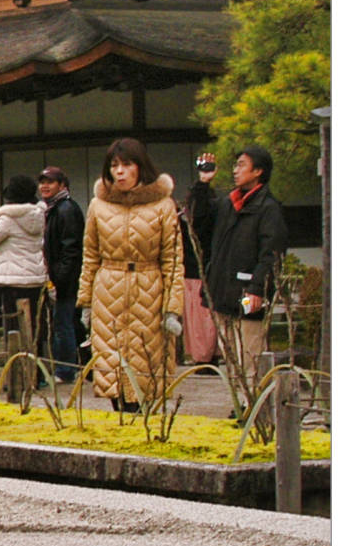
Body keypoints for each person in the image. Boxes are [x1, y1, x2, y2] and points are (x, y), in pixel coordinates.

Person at [78, 138, 184, 411]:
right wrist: (86, 301)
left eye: (126, 164)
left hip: (149, 290)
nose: (120, 171)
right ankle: (120, 416)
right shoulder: (98, 205)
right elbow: (90, 256)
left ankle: (143, 419)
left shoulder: (163, 205)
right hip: (108, 290)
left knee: (146, 365)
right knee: (110, 364)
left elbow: (173, 260)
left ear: (140, 166)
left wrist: (172, 308)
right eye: (114, 165)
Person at [202, 144, 288, 398]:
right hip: (222, 291)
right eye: (236, 164)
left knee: (250, 354)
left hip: (249, 293)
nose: (235, 170)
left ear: (258, 171)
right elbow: (199, 222)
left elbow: (271, 254)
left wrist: (257, 288)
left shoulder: (268, 208)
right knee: (230, 357)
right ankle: (239, 405)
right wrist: (203, 184)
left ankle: (254, 406)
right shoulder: (228, 203)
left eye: (242, 165)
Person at [0, 174, 47, 339]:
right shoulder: (39, 216)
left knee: (13, 324)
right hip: (35, 277)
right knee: (34, 323)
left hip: (13, 279)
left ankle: (15, 354)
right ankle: (35, 353)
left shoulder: (8, 218)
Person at [38, 166, 86, 383]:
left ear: (62, 185)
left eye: (50, 182)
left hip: (66, 279)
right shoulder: (55, 208)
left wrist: (59, 278)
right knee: (67, 323)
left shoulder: (65, 209)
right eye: (42, 182)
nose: (44, 186)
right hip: (61, 276)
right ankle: (77, 366)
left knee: (63, 324)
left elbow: (71, 248)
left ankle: (66, 370)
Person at [178, 153, 221, 364]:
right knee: (201, 320)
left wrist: (203, 183)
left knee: (203, 320)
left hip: (202, 271)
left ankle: (206, 357)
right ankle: (205, 357)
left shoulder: (197, 215)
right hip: (197, 271)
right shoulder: (186, 219)